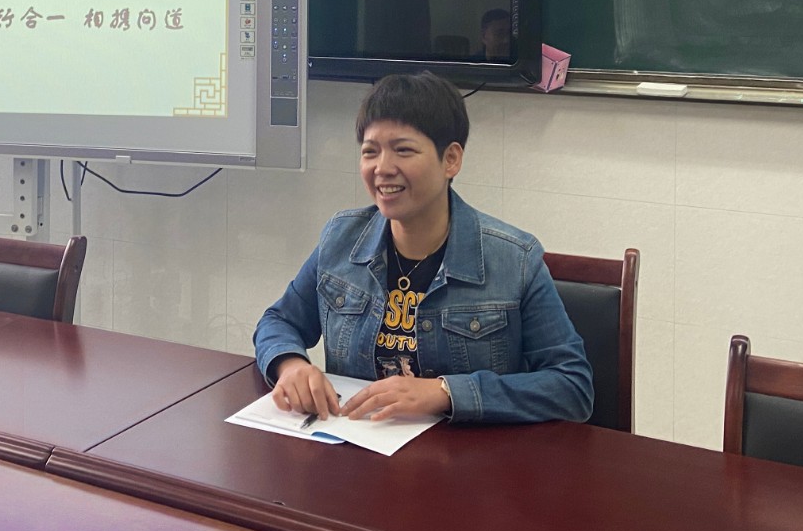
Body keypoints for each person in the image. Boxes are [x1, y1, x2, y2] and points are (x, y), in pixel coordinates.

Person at [253, 72, 593, 425]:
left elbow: (572, 386)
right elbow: (279, 321)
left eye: (403, 150)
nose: (382, 168)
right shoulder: (341, 238)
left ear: (451, 160)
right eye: (370, 152)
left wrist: (446, 392)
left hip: (463, 454)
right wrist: (290, 364)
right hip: (356, 444)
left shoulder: (515, 260)